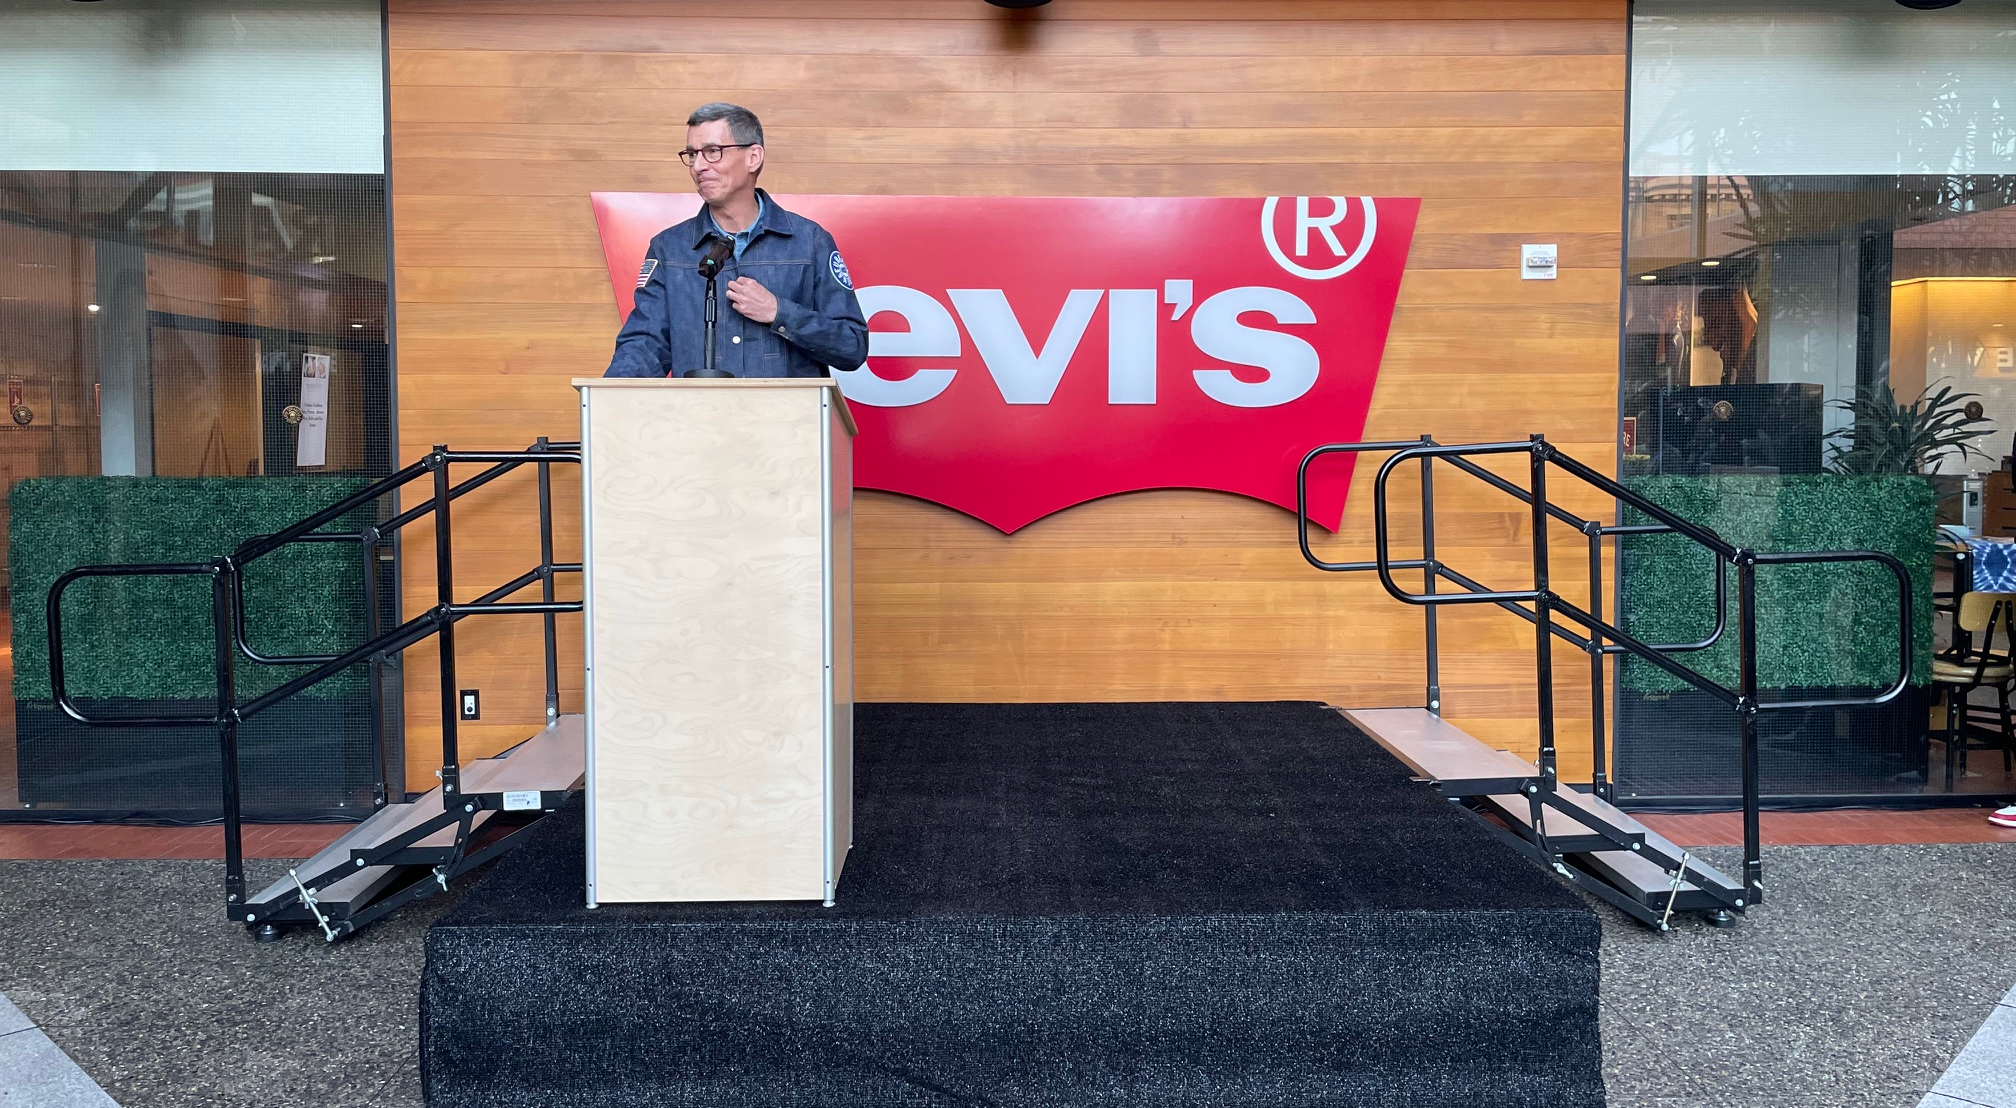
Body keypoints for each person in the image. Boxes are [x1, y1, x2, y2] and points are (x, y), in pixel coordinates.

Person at [604, 103, 867, 378]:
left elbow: (852, 347)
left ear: (753, 157)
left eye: (712, 152)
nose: (699, 166)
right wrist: (607, 403)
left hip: (787, 419)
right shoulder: (669, 249)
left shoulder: (810, 241)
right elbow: (644, 345)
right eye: (692, 154)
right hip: (698, 418)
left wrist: (780, 313)